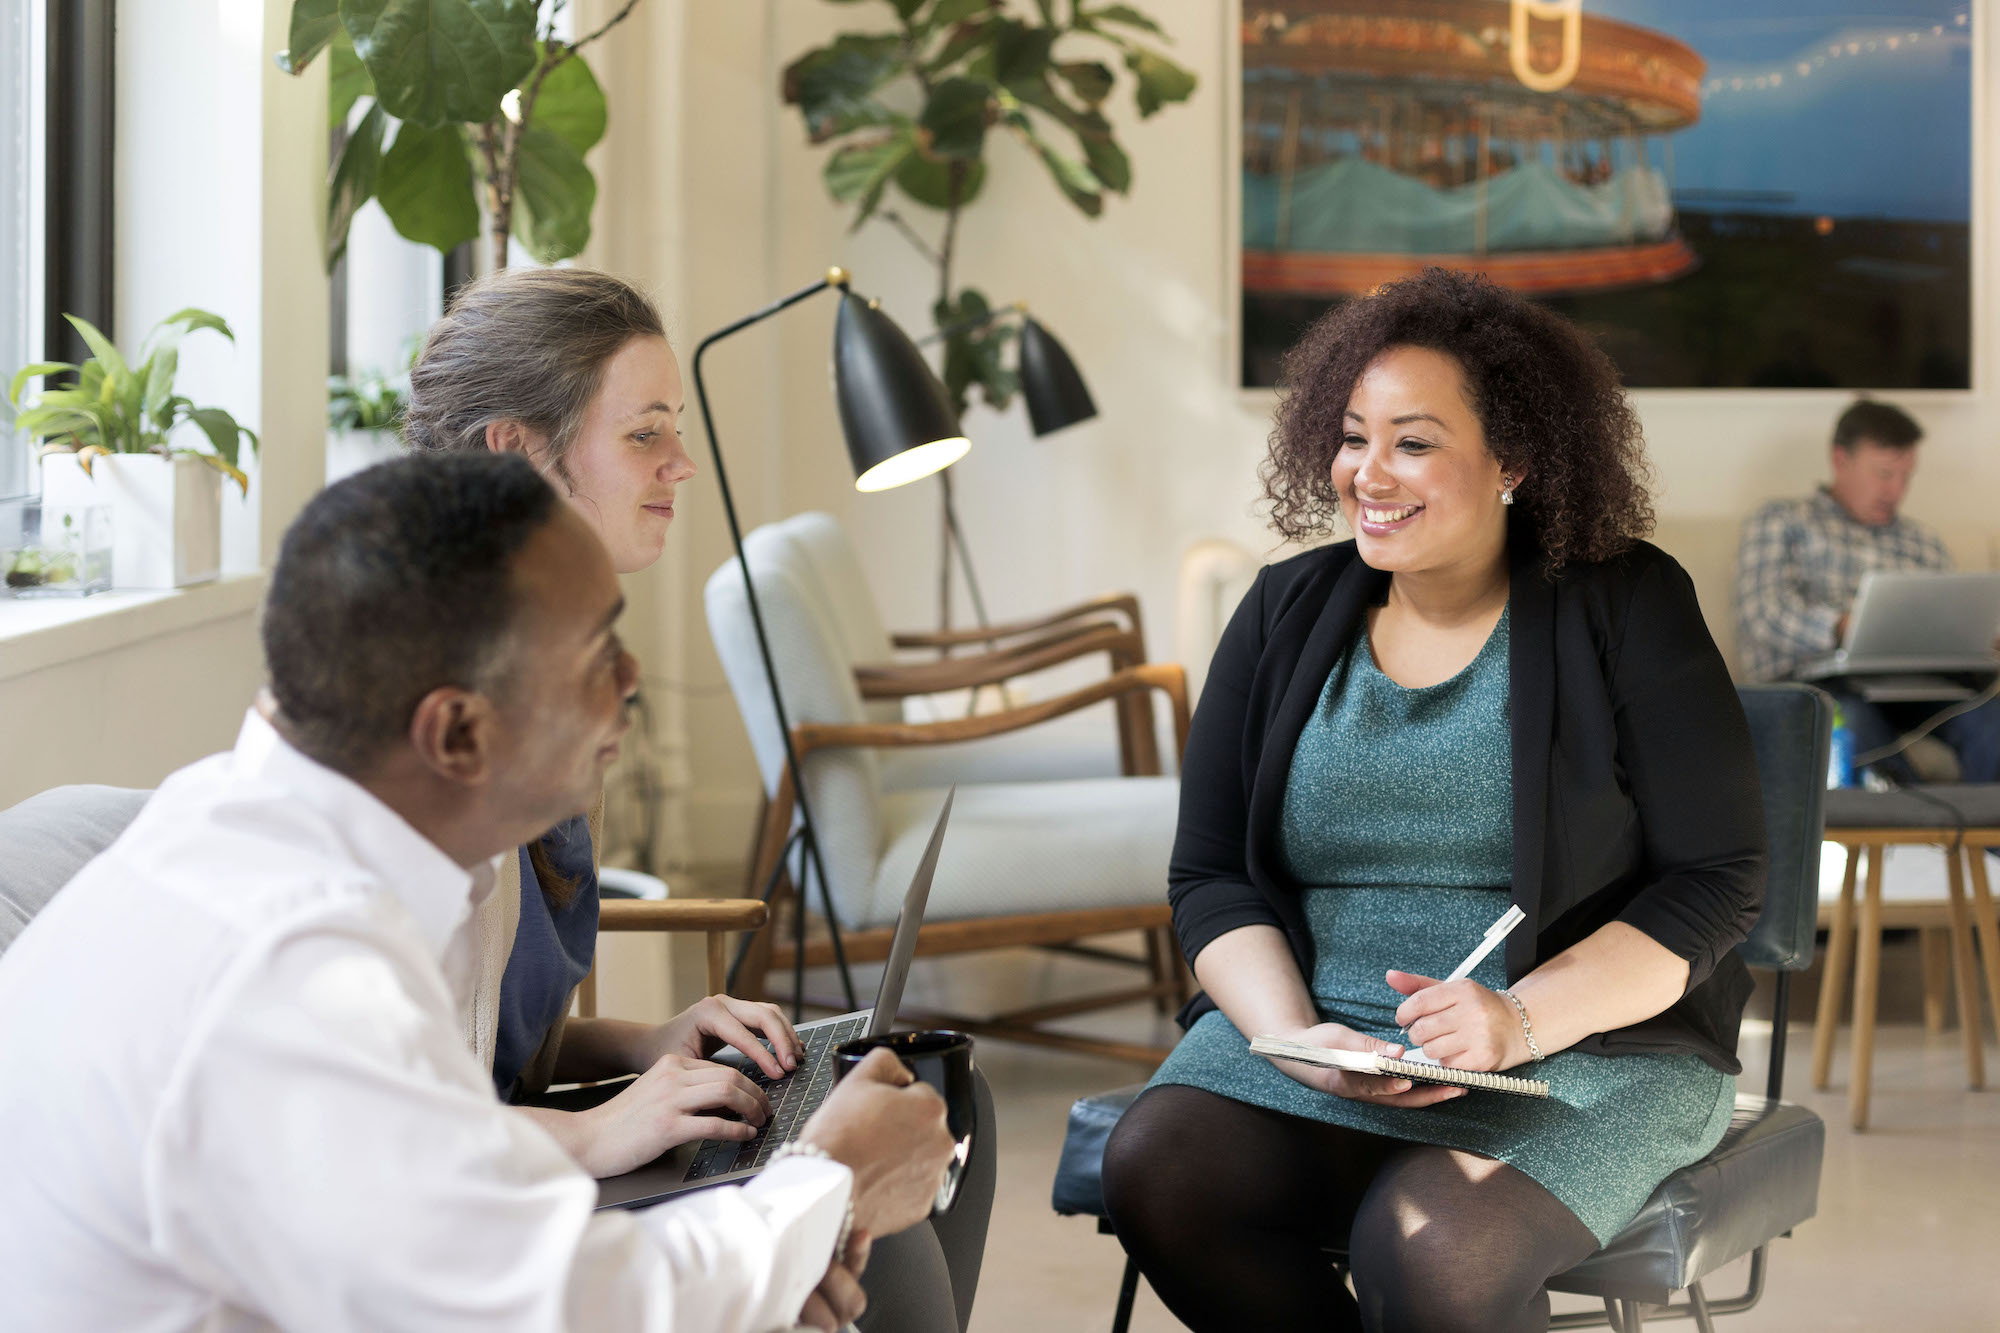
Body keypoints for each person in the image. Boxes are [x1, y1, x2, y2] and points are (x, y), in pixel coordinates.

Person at [0, 453, 957, 1331]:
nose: (633, 684)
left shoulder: (260, 836)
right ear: (457, 734)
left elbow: (453, 1219)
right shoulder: (291, 969)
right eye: (597, 658)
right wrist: (826, 1179)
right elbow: (550, 1308)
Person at [1100, 269, 1766, 1333]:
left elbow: (1716, 879)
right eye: (1352, 435)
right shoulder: (1280, 611)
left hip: (1578, 1049)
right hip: (1320, 1036)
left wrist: (1516, 1017)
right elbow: (1210, 875)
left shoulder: (1625, 602)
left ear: (1513, 460)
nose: (1368, 472)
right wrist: (1290, 1035)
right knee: (1159, 1168)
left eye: (1412, 441)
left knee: (1430, 1248)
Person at [402, 267, 992, 1330]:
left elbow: (476, 1032)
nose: (679, 463)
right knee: (857, 1209)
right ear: (515, 454)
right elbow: (392, 1123)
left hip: (518, 1136)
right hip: (472, 1201)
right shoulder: (439, 722)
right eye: (642, 436)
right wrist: (601, 1131)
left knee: (939, 1097)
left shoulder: (541, 659)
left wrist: (643, 1041)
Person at [1735, 398, 2000, 782]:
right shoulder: (1782, 521)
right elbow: (1763, 615)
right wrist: (1843, 627)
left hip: (1917, 686)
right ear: (1840, 459)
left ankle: (1989, 841)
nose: (1895, 490)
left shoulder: (1922, 541)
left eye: (1905, 477)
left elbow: (1950, 617)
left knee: (1990, 720)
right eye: (1883, 473)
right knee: (1852, 723)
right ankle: (1915, 830)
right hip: (1820, 683)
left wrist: (1980, 641)